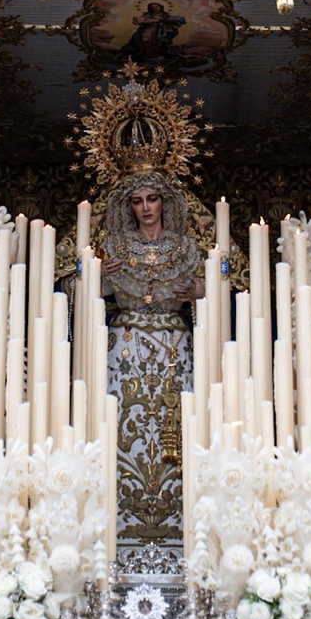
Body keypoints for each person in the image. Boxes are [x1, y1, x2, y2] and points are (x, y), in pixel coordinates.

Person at [100, 169, 204, 557]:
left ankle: (179, 523)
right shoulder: (114, 247)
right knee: (125, 425)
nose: (146, 208)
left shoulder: (185, 248)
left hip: (174, 347)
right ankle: (121, 522)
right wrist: (92, 276)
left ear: (165, 202)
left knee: (172, 426)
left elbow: (219, 288)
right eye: (137, 200)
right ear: (129, 206)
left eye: (152, 199)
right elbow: (81, 291)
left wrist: (200, 292)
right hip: (124, 347)